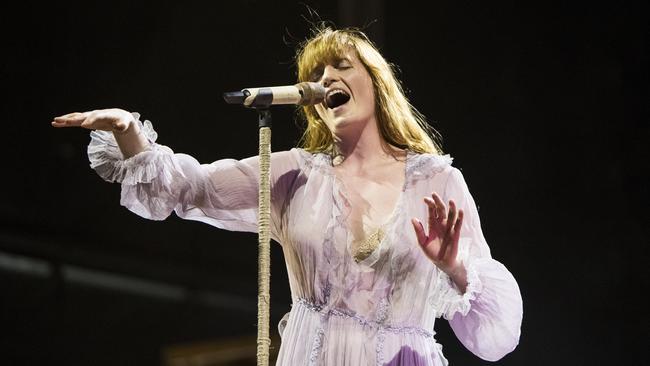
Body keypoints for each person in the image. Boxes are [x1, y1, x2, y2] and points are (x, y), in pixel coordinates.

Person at [52, 26, 522, 365]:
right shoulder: (295, 176)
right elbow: (188, 186)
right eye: (316, 73)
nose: (326, 78)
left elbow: (494, 338)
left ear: (376, 84)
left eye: (341, 65)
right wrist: (130, 131)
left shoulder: (436, 182)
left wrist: (455, 268)